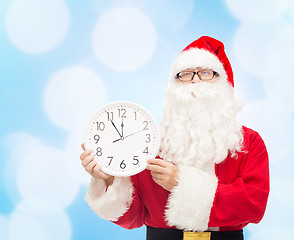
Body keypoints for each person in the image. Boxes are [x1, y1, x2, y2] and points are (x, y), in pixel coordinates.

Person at [80, 36, 270, 240]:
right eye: (185, 74)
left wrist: (182, 183)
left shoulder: (249, 142)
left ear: (223, 83)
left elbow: (253, 205)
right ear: (173, 86)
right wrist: (110, 179)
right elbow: (134, 218)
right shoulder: (149, 141)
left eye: (206, 73)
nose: (195, 80)